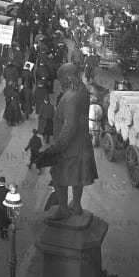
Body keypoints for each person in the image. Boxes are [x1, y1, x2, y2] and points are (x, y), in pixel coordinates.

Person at [48, 63, 98, 220]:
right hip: (82, 143)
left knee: (57, 177)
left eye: (62, 78)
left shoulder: (70, 97)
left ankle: (63, 209)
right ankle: (76, 205)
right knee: (78, 178)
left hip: (69, 147)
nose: (61, 82)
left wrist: (57, 147)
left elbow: (69, 126)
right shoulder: (82, 90)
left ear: (68, 77)